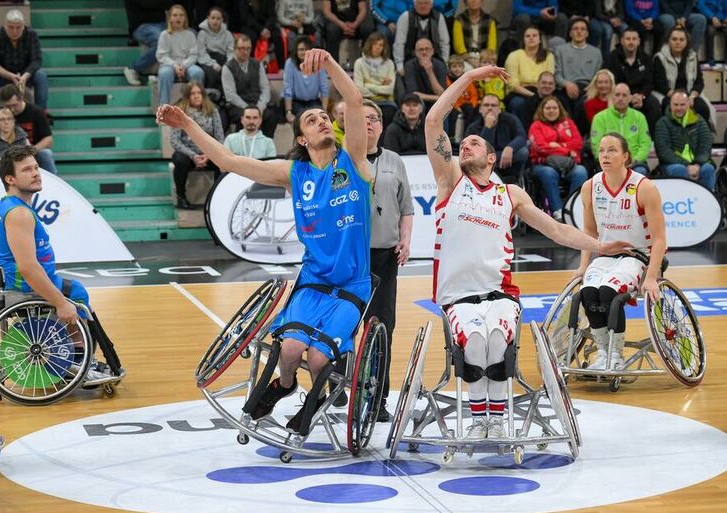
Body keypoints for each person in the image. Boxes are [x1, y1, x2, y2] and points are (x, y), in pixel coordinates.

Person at [157, 47, 374, 432]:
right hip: (313, 282)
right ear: (302, 139)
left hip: (351, 285)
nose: (322, 121)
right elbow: (228, 162)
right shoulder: (294, 173)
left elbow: (353, 99)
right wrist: (187, 124)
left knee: (321, 360)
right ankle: (286, 386)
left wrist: (327, 63)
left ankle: (316, 400)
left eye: (325, 116)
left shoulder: (353, 161)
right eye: (312, 120)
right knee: (289, 350)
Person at [424, 64, 629, 439]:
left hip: (499, 291)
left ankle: (497, 422)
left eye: (473, 144)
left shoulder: (510, 195)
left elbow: (555, 229)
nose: (464, 146)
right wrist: (470, 78)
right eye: (462, 144)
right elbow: (434, 119)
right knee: (475, 344)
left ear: (491, 159)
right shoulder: (450, 180)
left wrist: (599, 246)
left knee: (498, 341)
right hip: (457, 295)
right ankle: (478, 421)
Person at [0, 144, 122, 380]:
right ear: (10, 178)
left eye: (36, 167)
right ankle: (80, 363)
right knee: (75, 293)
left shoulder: (1, 207)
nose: (36, 173)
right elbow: (28, 267)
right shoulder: (19, 214)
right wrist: (60, 303)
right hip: (25, 285)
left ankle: (79, 358)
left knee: (73, 289)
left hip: (14, 285)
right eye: (27, 170)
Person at [574, 132, 665, 370]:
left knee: (607, 294)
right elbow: (589, 231)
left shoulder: (644, 187)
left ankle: (616, 356)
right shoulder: (590, 187)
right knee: (588, 294)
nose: (605, 155)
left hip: (637, 256)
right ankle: (603, 354)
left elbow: (659, 239)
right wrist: (583, 266)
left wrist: (653, 277)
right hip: (605, 256)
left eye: (612, 150)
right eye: (602, 150)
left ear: (625, 156)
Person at [363, 98, 413, 421]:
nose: (367, 123)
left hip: (384, 256)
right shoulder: (342, 158)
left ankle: (378, 399)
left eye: (373, 118)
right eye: (361, 118)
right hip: (350, 258)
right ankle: (335, 390)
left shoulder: (395, 161)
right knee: (345, 326)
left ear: (382, 126)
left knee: (383, 328)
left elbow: (407, 208)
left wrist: (405, 241)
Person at [528, 95, 588, 220]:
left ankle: (571, 208)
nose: (551, 110)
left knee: (581, 171)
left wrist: (557, 146)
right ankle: (558, 211)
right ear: (542, 110)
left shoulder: (569, 123)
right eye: (548, 108)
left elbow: (578, 143)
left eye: (554, 108)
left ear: (559, 109)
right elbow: (540, 147)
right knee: (549, 173)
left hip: (568, 164)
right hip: (543, 164)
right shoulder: (536, 125)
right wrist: (566, 150)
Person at [170, 81, 224, 209]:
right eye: (192, 93)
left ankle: (218, 198)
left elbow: (220, 137)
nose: (196, 96)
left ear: (203, 95)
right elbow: (174, 140)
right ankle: (181, 197)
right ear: (187, 96)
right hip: (188, 154)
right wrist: (193, 155)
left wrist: (209, 155)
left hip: (209, 152)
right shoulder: (180, 114)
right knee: (179, 159)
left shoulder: (212, 111)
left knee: (222, 160)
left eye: (199, 93)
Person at [654, 90, 715, 191]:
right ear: (670, 105)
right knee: (679, 169)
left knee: (708, 169)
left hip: (698, 163)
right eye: (676, 104)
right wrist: (686, 165)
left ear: (689, 104)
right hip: (672, 164)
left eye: (682, 104)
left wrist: (697, 164)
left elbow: (705, 146)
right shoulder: (662, 123)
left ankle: (708, 204)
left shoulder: (699, 121)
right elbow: (664, 152)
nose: (679, 108)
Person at [0, 9, 47, 109]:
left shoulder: (32, 34)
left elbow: (36, 60)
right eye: (11, 27)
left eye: (18, 27)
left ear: (23, 26)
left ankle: (41, 113)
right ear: (5, 25)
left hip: (26, 74)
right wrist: (10, 76)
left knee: (41, 75)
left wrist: (25, 76)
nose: (14, 31)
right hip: (4, 74)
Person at [605, 28, 662, 134]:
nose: (631, 42)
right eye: (628, 39)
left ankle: (651, 139)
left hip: (640, 95)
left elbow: (649, 82)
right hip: (618, 94)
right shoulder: (612, 57)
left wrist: (641, 96)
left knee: (654, 105)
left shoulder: (646, 58)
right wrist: (628, 96)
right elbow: (610, 81)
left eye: (634, 39)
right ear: (622, 41)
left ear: (639, 41)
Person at [652, 27, 712, 126]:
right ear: (668, 41)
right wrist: (680, 99)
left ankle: (698, 137)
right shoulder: (659, 57)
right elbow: (660, 84)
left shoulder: (693, 56)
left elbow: (699, 82)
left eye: (681, 40)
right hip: (668, 94)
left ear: (686, 42)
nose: (678, 42)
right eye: (674, 39)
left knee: (702, 108)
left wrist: (692, 96)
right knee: (669, 108)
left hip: (690, 95)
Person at [464, 94, 529, 184]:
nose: (490, 108)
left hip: (508, 163)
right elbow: (477, 150)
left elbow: (522, 136)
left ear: (499, 109)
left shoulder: (511, 119)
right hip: (484, 166)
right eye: (486, 105)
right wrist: (487, 128)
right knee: (477, 157)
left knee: (523, 152)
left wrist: (510, 148)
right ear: (480, 109)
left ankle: (514, 179)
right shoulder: (473, 127)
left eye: (494, 105)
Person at [222, 34, 278, 137]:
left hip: (257, 103)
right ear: (234, 49)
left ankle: (266, 148)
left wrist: (260, 106)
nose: (245, 52)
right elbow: (230, 95)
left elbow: (265, 88)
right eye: (242, 48)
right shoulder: (228, 67)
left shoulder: (257, 64)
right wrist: (249, 109)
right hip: (238, 105)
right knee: (243, 117)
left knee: (270, 116)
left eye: (248, 48)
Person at [590, 83, 652, 175]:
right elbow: (596, 145)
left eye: (624, 95)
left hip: (635, 164)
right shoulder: (599, 118)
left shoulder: (639, 117)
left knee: (640, 171)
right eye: (617, 95)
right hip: (608, 162)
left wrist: (634, 160)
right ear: (612, 97)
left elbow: (645, 144)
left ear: (630, 98)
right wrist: (612, 160)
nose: (620, 98)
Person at [0, 84, 57, 175]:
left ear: (21, 99)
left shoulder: (36, 112)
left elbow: (48, 139)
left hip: (31, 151)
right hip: (6, 151)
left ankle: (52, 185)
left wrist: (31, 150)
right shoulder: (0, 114)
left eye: (14, 105)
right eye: (8, 106)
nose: (12, 110)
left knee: (46, 154)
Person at [553, 17, 601, 121]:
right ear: (570, 33)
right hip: (566, 87)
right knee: (560, 100)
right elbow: (557, 74)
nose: (579, 31)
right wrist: (567, 84)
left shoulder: (596, 53)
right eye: (575, 29)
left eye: (582, 29)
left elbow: (598, 77)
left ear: (587, 33)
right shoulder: (560, 50)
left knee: (585, 103)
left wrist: (590, 89)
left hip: (588, 88)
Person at [156, 4, 204, 108]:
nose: (178, 18)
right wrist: (175, 65)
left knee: (197, 72)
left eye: (181, 15)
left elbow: (193, 55)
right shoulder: (164, 35)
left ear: (185, 18)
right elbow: (161, 55)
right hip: (169, 65)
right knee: (164, 74)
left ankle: (197, 107)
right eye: (175, 15)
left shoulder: (190, 34)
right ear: (170, 18)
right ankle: (164, 108)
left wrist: (183, 65)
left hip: (187, 64)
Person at [504, 25, 555, 120]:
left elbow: (549, 80)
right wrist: (533, 94)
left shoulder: (548, 56)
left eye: (534, 35)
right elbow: (512, 85)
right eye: (528, 36)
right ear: (523, 39)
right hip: (519, 93)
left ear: (540, 39)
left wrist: (534, 90)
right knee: (519, 103)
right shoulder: (514, 56)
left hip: (542, 92)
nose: (531, 38)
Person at [123, 0, 173, 86]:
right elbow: (148, 3)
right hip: (142, 25)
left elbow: (169, 4)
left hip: (162, 23)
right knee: (161, 41)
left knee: (185, 33)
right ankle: (133, 68)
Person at [393, 0, 450, 75]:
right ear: (414, 5)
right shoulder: (405, 17)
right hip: (410, 58)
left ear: (431, 5)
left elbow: (445, 42)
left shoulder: (439, 17)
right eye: (420, 3)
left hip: (434, 58)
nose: (423, 6)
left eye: (426, 3)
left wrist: (444, 62)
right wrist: (399, 65)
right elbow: (399, 43)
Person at [282, 37, 330, 123]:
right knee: (304, 117)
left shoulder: (319, 63)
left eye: (306, 49)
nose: (303, 52)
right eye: (300, 49)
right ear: (296, 51)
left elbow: (324, 88)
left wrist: (324, 110)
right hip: (295, 102)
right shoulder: (290, 63)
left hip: (313, 102)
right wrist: (288, 112)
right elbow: (288, 88)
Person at [353, 32, 397, 124]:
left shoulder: (389, 63)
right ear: (370, 44)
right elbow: (359, 89)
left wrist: (368, 84)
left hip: (386, 102)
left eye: (381, 45)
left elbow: (389, 90)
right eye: (375, 44)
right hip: (366, 102)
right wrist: (381, 86)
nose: (377, 47)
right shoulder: (359, 63)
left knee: (389, 114)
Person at [320, 0, 375, 65]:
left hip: (355, 23)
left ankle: (366, 63)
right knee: (331, 30)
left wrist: (355, 24)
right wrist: (342, 24)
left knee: (368, 29)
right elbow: (327, 12)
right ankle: (332, 65)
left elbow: (363, 11)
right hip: (336, 22)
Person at [196, 6, 235, 94]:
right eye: (213, 18)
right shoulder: (202, 34)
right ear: (208, 18)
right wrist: (213, 64)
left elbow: (230, 52)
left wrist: (228, 64)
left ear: (222, 20)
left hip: (223, 59)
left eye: (218, 18)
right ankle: (213, 94)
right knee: (212, 73)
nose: (215, 21)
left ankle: (227, 95)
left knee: (230, 71)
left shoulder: (227, 34)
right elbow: (201, 53)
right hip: (207, 60)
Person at [403, 38, 447, 109]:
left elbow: (441, 93)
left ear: (432, 51)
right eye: (421, 50)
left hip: (437, 103)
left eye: (427, 49)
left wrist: (430, 72)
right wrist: (435, 98)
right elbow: (413, 93)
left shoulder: (440, 65)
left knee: (443, 107)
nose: (424, 52)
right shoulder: (409, 65)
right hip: (418, 101)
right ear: (416, 52)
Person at [444, 55, 478, 136]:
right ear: (449, 68)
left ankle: (467, 135)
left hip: (466, 103)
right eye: (454, 66)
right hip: (453, 104)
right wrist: (456, 106)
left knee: (471, 110)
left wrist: (472, 104)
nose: (457, 69)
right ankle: (451, 137)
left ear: (463, 68)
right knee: (452, 114)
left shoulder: (467, 78)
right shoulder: (447, 80)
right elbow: (449, 96)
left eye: (460, 66)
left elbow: (474, 94)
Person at [698, 0, 727, 68]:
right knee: (710, 31)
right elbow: (700, 6)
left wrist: (725, 18)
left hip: (722, 20)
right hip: (709, 20)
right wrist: (712, 17)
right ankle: (710, 60)